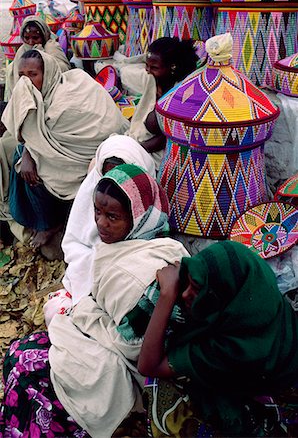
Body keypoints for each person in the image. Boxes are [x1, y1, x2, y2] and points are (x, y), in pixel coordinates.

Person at [0, 164, 189, 437]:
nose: (101, 223)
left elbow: (135, 346)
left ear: (138, 217)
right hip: (98, 342)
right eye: (98, 212)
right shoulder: (143, 244)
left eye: (113, 216)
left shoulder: (138, 273)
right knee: (18, 351)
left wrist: (85, 316)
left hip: (122, 372)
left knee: (29, 374)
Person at [138, 241, 298, 437]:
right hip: (278, 361)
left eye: (198, 289)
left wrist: (166, 294)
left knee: (161, 389)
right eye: (189, 282)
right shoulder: (255, 291)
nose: (186, 293)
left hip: (276, 388)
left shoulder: (233, 348)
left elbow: (149, 366)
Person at [1, 49, 129, 248]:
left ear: (49, 73)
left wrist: (30, 153)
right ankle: (43, 222)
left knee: (32, 165)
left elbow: (104, 127)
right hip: (64, 156)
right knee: (22, 158)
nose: (26, 81)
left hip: (90, 159)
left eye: (33, 75)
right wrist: (28, 153)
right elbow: (32, 136)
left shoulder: (70, 93)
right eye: (21, 75)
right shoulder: (35, 98)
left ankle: (51, 224)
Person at [43, 134, 156, 325]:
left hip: (123, 288)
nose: (114, 180)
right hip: (86, 279)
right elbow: (74, 242)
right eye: (108, 174)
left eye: (121, 173)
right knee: (55, 311)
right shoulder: (93, 190)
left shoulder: (147, 204)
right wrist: (97, 262)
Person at [127, 37, 198, 171]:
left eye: (154, 67)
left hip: (163, 155)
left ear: (173, 67)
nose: (148, 71)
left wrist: (135, 150)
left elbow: (168, 137)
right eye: (146, 65)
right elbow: (140, 117)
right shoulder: (153, 83)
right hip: (142, 144)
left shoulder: (182, 94)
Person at [5, 15, 70, 100]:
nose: (30, 42)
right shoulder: (21, 50)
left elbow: (62, 70)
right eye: (26, 38)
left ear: (44, 36)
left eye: (35, 38)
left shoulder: (52, 48)